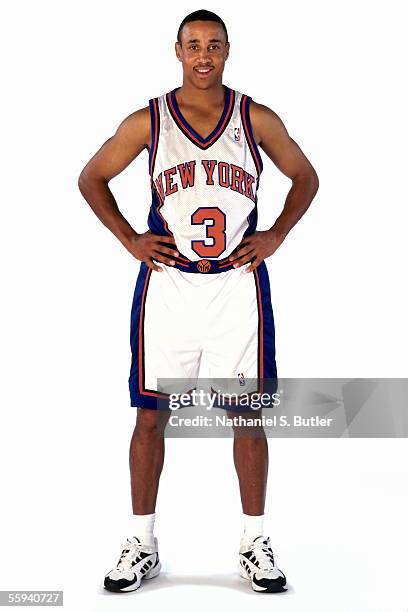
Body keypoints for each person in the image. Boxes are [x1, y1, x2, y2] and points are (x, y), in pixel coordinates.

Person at [78, 9, 319, 594]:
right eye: (193, 45)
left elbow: (306, 177)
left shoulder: (255, 117)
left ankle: (254, 541)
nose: (203, 55)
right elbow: (91, 178)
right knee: (149, 416)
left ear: (228, 50)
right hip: (169, 285)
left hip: (237, 288)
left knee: (247, 416)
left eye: (214, 44)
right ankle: (142, 542)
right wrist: (130, 239)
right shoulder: (148, 121)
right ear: (177, 51)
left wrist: (277, 233)